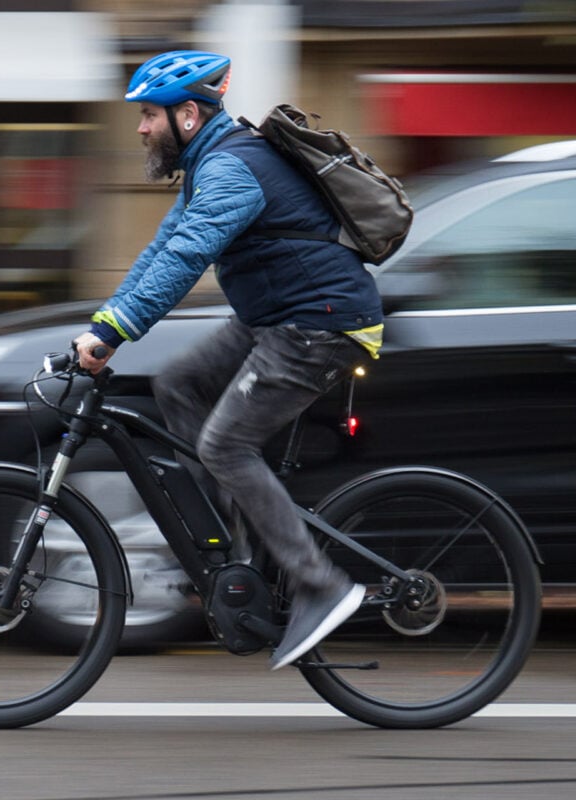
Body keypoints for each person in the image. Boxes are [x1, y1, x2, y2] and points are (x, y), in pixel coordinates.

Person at [74, 51, 385, 670]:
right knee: (180, 385)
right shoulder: (210, 165)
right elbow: (159, 252)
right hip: (276, 318)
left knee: (223, 446)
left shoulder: (232, 171)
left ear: (188, 114)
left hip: (320, 326)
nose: (140, 129)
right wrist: (103, 323)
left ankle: (321, 586)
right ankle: (233, 541)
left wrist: (113, 335)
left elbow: (187, 258)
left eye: (148, 116)